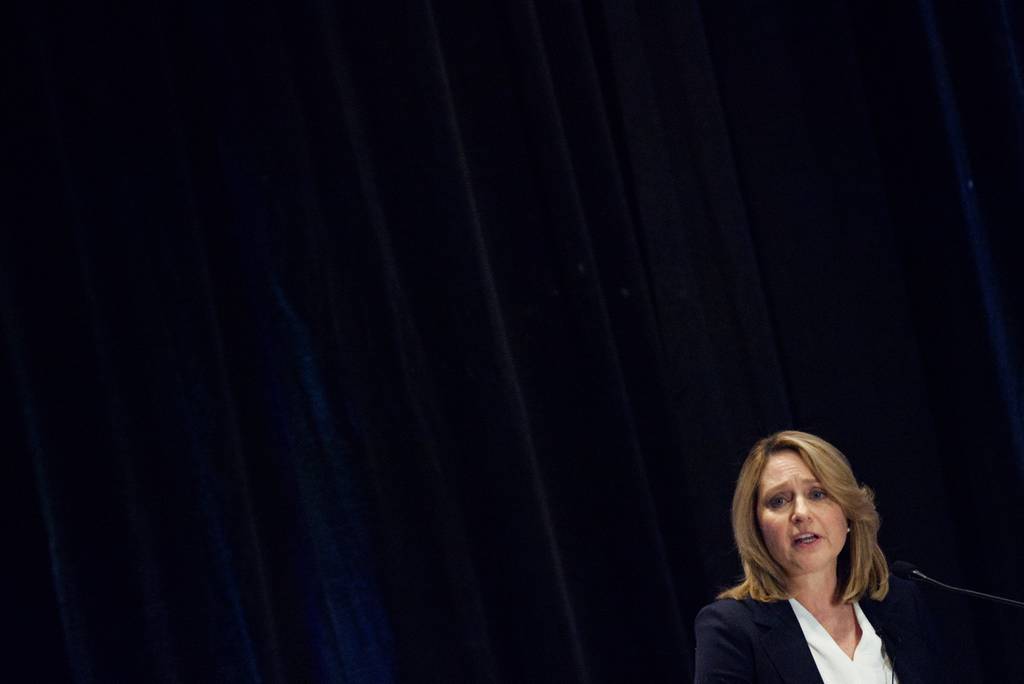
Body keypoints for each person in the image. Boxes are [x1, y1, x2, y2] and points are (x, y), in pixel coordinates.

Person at [694, 431, 938, 683]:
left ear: (848, 513)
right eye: (778, 501)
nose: (801, 513)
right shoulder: (732, 630)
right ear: (756, 527)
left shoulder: (900, 603)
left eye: (817, 494)